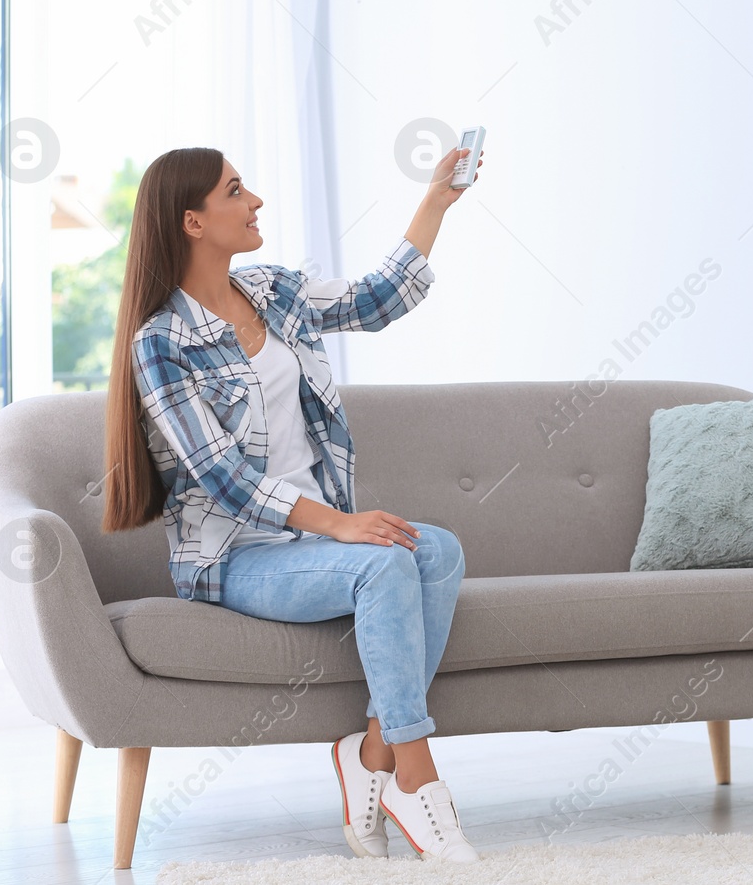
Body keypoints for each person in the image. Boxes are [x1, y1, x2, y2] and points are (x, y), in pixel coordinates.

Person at [100, 142, 484, 862]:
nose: (256, 202)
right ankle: (414, 767)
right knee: (379, 563)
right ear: (192, 221)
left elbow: (378, 299)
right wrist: (342, 525)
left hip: (312, 544)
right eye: (235, 191)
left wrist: (436, 200)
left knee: (437, 548)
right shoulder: (160, 343)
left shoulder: (272, 289)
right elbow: (224, 479)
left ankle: (370, 751)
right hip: (236, 556)